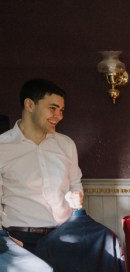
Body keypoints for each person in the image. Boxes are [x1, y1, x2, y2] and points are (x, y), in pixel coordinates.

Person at [0, 79, 83, 252]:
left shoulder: (67, 144)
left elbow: (76, 184)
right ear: (30, 105)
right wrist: (6, 242)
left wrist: (76, 196)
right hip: (19, 240)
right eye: (52, 108)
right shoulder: (2, 147)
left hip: (66, 236)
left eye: (61, 110)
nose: (59, 116)